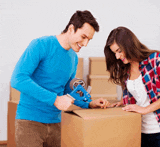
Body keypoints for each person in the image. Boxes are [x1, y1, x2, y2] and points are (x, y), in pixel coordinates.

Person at [10, 10, 109, 147]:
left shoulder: (73, 58)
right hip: (29, 123)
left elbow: (67, 90)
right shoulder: (41, 45)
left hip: (56, 124)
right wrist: (55, 100)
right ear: (71, 28)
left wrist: (90, 103)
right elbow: (18, 79)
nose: (85, 44)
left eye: (89, 40)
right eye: (83, 37)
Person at [105, 26, 160, 147]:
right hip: (140, 129)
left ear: (129, 44)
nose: (117, 56)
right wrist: (122, 101)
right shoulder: (126, 69)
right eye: (114, 53)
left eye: (119, 51)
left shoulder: (156, 60)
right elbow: (134, 90)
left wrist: (145, 109)